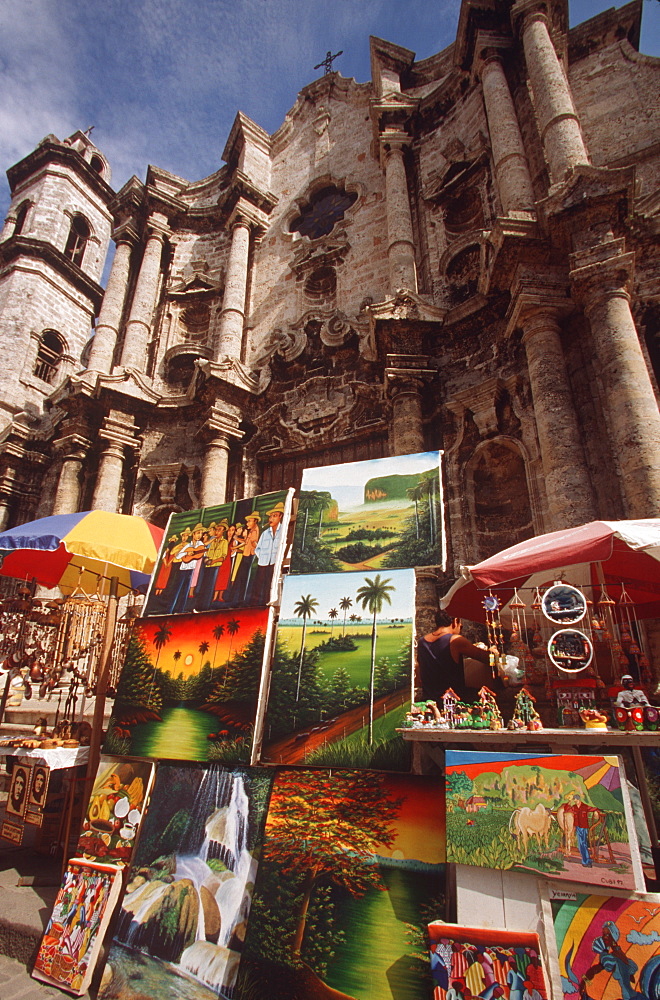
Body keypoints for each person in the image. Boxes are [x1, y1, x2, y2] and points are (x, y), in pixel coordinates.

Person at [417, 610, 499, 702]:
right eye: (461, 626)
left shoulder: (422, 642)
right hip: (452, 700)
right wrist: (493, 654)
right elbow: (488, 660)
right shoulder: (455, 640)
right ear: (455, 621)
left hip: (428, 699)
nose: (460, 628)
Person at [249, 502, 285, 606]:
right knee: (258, 587)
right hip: (263, 564)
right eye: (270, 516)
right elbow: (258, 549)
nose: (271, 519)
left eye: (275, 516)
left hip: (274, 564)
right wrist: (263, 558)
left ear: (280, 516)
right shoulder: (265, 533)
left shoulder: (283, 531)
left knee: (270, 588)